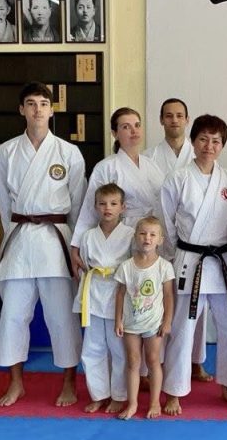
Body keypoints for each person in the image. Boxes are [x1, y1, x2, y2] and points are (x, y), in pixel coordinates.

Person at [0, 81, 87, 407]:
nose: (37, 109)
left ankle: (69, 382)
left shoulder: (68, 152)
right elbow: (4, 204)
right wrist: (12, 233)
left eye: (43, 104)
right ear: (22, 109)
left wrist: (75, 246)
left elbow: (78, 205)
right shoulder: (7, 152)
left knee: (62, 317)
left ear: (51, 110)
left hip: (55, 241)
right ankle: (15, 382)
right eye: (31, 104)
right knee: (13, 315)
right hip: (20, 239)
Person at [70, 108, 164, 392]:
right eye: (125, 126)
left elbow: (162, 208)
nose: (133, 131)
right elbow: (91, 207)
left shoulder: (152, 166)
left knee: (144, 308)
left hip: (146, 239)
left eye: (136, 125)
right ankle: (115, 385)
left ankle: (139, 375)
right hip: (120, 238)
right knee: (116, 324)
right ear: (114, 133)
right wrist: (76, 245)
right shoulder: (106, 167)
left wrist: (162, 242)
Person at [160, 114, 227, 413]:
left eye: (216, 141)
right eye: (203, 139)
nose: (209, 146)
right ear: (193, 142)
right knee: (182, 329)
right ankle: (174, 391)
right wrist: (176, 253)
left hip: (222, 264)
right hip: (190, 261)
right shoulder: (177, 178)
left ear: (223, 145)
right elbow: (166, 222)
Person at [148, 97, 211, 382]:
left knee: (197, 307)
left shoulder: (199, 152)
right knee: (158, 305)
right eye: (168, 115)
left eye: (179, 115)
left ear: (187, 120)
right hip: (159, 240)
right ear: (161, 120)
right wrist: (166, 244)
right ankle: (157, 363)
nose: (174, 120)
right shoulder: (149, 157)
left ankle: (196, 362)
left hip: (192, 244)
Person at [72, 183, 133, 414]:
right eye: (103, 203)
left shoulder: (130, 234)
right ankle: (99, 394)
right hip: (94, 293)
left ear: (123, 207)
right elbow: (84, 268)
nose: (108, 208)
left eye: (113, 204)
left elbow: (133, 266)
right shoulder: (88, 236)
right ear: (96, 207)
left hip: (119, 294)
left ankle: (119, 396)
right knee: (92, 348)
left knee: (119, 349)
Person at [114, 217, 174, 420]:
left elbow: (168, 296)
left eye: (152, 235)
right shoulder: (126, 266)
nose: (147, 238)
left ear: (160, 240)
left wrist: (167, 321)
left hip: (154, 323)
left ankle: (155, 402)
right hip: (131, 323)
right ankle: (132, 403)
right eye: (142, 233)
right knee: (132, 361)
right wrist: (118, 320)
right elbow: (120, 294)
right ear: (135, 237)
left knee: (153, 360)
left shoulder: (164, 266)